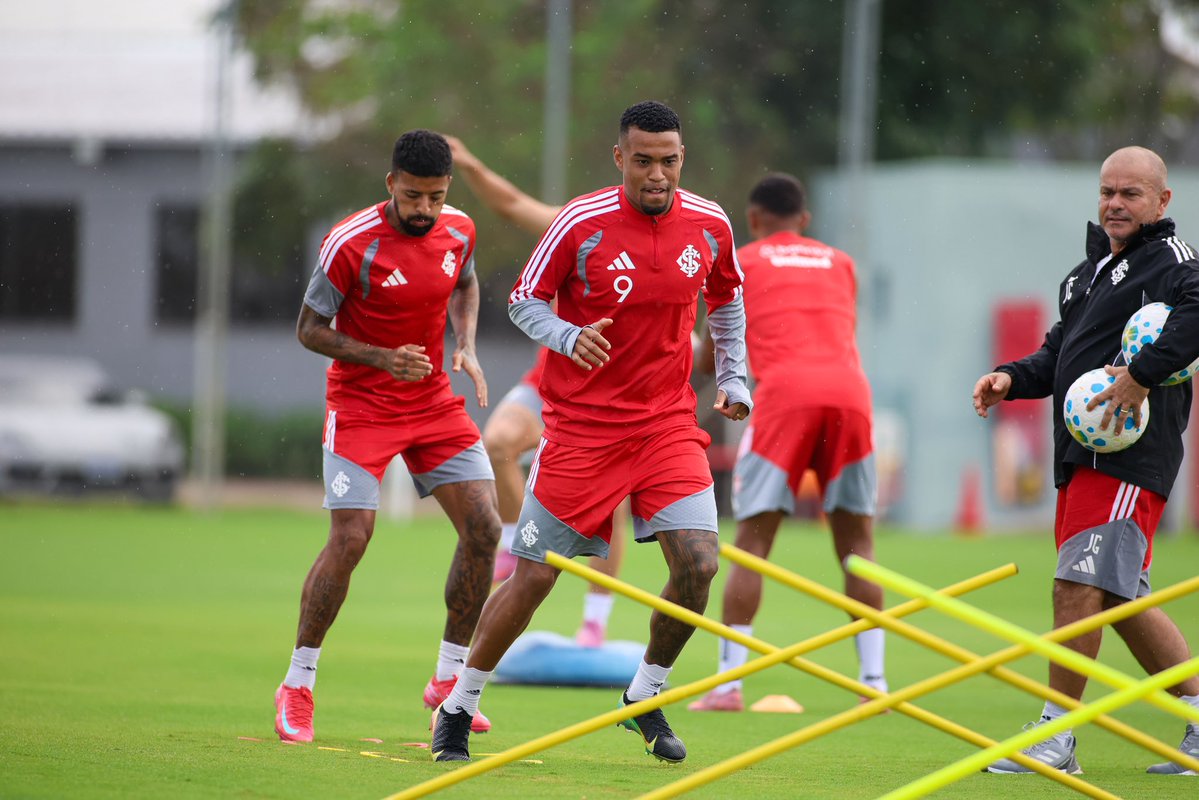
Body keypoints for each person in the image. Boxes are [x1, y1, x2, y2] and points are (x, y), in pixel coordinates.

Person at [430, 100, 751, 763]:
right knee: (533, 578)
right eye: (642, 161)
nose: (656, 175)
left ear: (681, 159)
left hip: (665, 426)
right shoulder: (581, 221)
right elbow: (523, 299)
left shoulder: (710, 223)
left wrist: (734, 377)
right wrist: (568, 335)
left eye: (668, 161)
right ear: (619, 159)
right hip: (582, 432)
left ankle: (644, 696)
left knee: (698, 566)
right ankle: (458, 705)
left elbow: (725, 300)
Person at [973, 146, 1199, 775]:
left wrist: (1141, 376)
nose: (1115, 205)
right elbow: (1055, 356)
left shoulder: (1173, 262)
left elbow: (1197, 316)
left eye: (1130, 194)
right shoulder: (1087, 272)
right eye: (1107, 192)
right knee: (1118, 600)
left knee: (1079, 585)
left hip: (1128, 457)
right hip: (1081, 459)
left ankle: (1057, 735)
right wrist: (1009, 379)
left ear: (1162, 201)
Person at [273, 130, 502, 743]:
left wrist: (468, 345)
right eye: (412, 197)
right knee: (352, 537)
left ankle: (448, 681)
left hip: (430, 400)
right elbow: (308, 329)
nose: (425, 210)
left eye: (435, 196)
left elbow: (465, 283)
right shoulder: (349, 243)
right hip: (361, 404)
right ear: (389, 185)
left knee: (485, 527)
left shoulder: (459, 229)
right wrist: (380, 357)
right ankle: (298, 683)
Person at [687, 173, 887, 712]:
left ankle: (728, 686)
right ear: (804, 219)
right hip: (850, 396)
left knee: (753, 546)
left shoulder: (741, 261)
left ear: (752, 220)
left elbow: (711, 357)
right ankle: (875, 683)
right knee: (857, 550)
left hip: (785, 400)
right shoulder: (841, 263)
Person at [447, 136, 629, 647]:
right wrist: (469, 161)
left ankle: (595, 617)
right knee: (498, 443)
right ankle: (515, 535)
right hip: (552, 386)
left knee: (612, 503)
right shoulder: (579, 224)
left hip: (620, 402)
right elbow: (509, 204)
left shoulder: (677, 238)